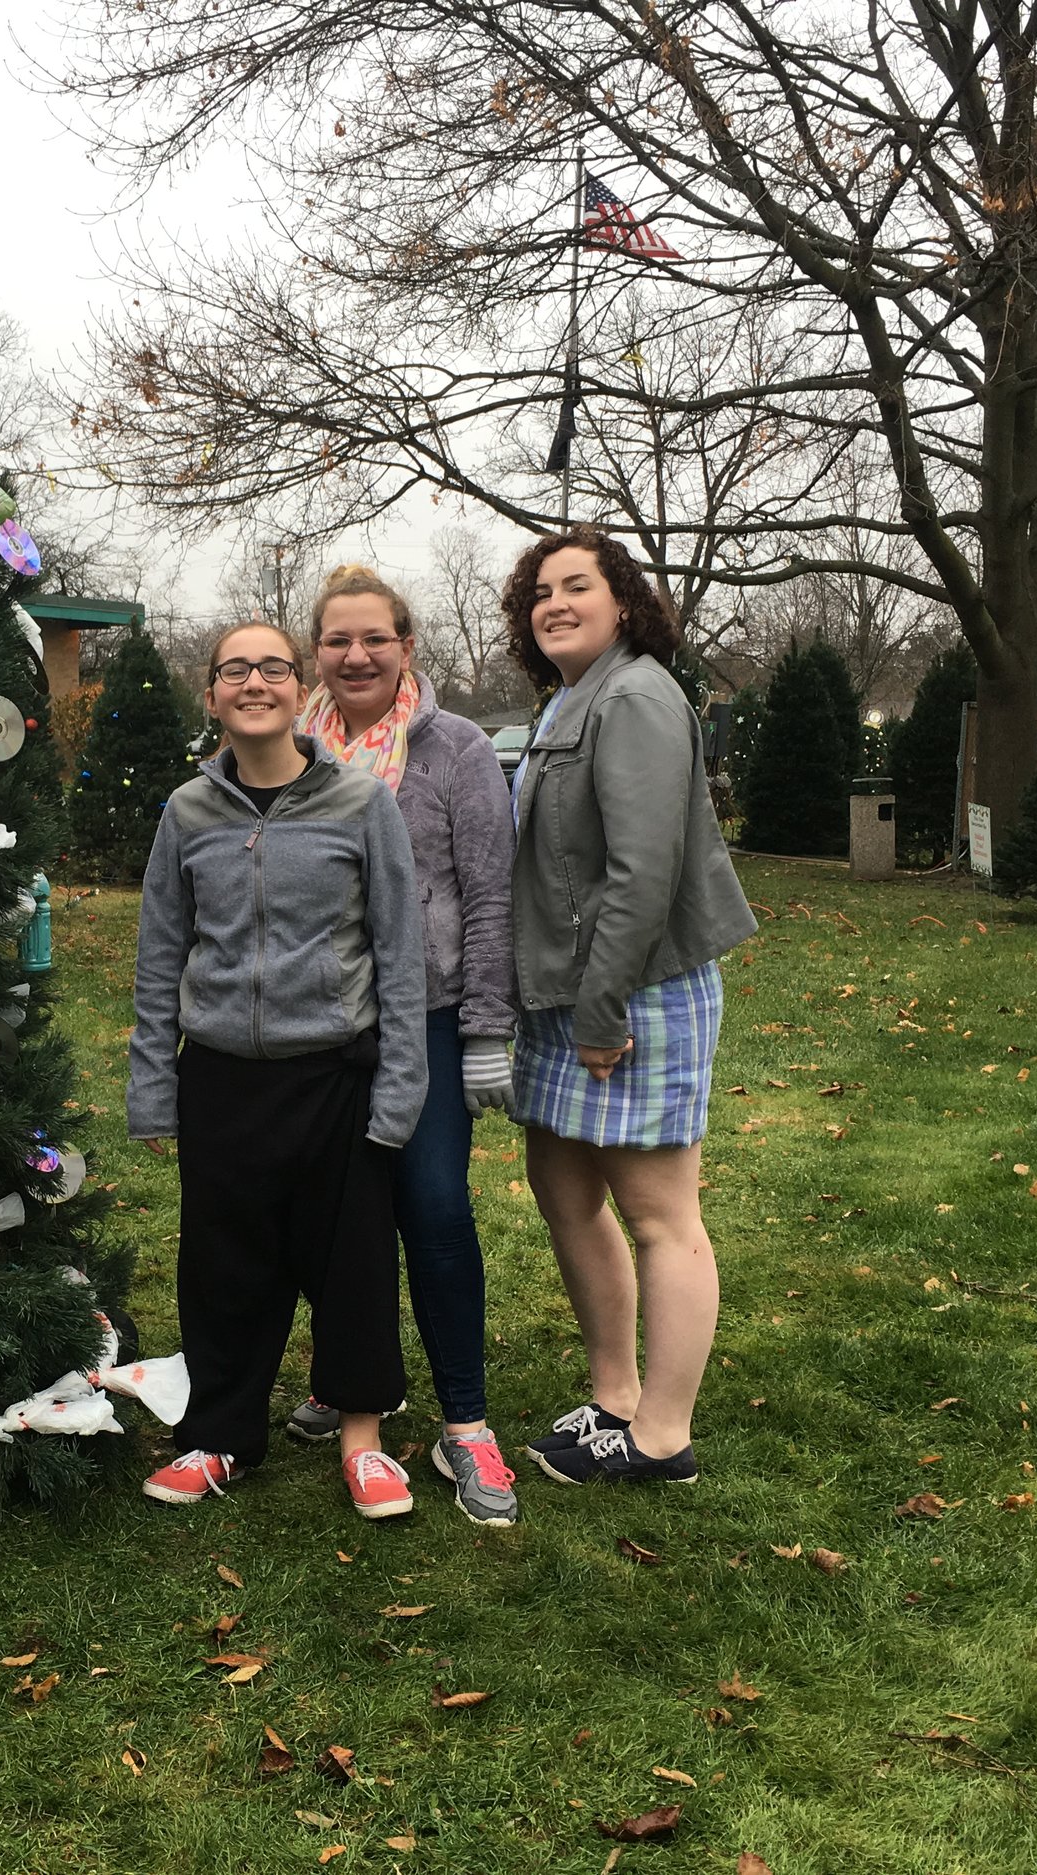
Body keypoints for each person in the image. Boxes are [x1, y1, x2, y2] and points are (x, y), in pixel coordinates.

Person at [127, 620, 430, 1519]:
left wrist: (399, 1088)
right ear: (212, 694)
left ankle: (364, 1440)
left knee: (354, 1263)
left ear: (302, 690)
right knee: (224, 1267)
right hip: (221, 1077)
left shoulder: (361, 804)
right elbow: (158, 960)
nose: (253, 682)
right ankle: (220, 1434)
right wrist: (153, 1088)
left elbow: (400, 953)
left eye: (271, 667)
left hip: (336, 1076)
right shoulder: (187, 814)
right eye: (233, 670)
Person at [503, 528, 756, 1487]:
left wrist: (603, 1009)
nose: (556, 602)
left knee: (660, 1214)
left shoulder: (640, 693)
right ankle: (613, 1395)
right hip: (571, 989)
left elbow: (643, 874)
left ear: (624, 604)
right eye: (541, 592)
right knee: (564, 1189)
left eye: (579, 585)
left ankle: (662, 1435)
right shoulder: (574, 695)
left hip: (632, 990)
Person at [279, 565, 522, 1528]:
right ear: (317, 652)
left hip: (425, 1016)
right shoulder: (291, 750)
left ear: (406, 645)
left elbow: (493, 894)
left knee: (431, 1205)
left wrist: (487, 1030)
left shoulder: (455, 749)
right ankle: (356, 1383)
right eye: (337, 640)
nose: (356, 655)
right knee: (341, 1217)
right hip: (326, 1023)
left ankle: (465, 1417)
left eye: (374, 637)